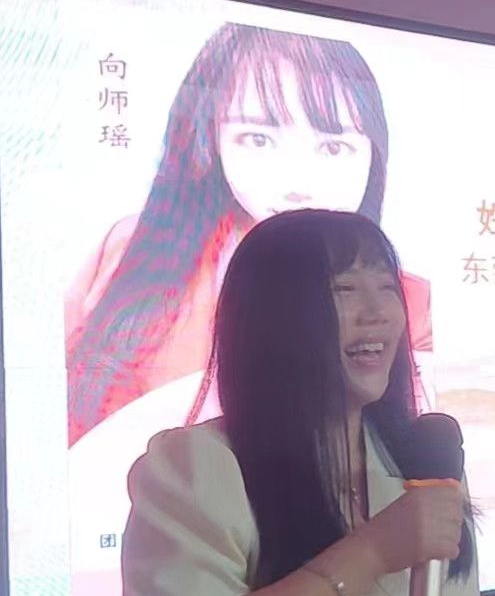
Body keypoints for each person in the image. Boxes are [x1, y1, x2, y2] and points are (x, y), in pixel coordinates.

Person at [120, 210, 495, 596]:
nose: (378, 312)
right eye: (344, 290)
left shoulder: (420, 460)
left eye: (386, 287)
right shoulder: (199, 466)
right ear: (274, 318)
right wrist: (371, 552)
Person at [66, 24, 435, 446]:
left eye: (333, 147)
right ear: (211, 140)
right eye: (258, 139)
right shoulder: (130, 253)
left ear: (374, 153)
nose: (297, 181)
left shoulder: (410, 303)